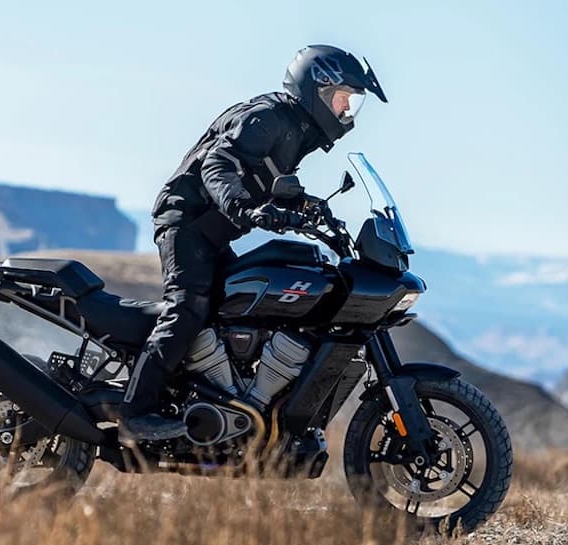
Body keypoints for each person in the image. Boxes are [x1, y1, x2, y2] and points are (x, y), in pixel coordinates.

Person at [119, 45, 389, 441]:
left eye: (351, 102)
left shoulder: (297, 131)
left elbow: (268, 180)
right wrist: (244, 208)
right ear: (318, 88)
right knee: (189, 308)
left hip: (212, 232)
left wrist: (313, 210)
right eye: (343, 98)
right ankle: (136, 412)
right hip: (187, 223)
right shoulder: (268, 117)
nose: (347, 110)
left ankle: (223, 402)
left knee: (238, 308)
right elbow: (220, 164)